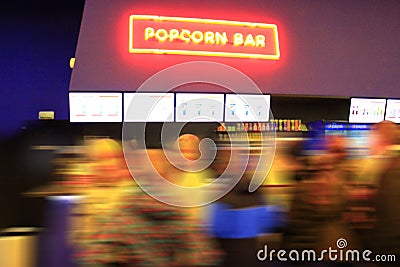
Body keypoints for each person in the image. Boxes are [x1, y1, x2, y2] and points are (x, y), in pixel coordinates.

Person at [370, 121, 400, 266]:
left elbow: (393, 216)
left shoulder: (394, 168)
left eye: (372, 139)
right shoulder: (390, 163)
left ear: (381, 139)